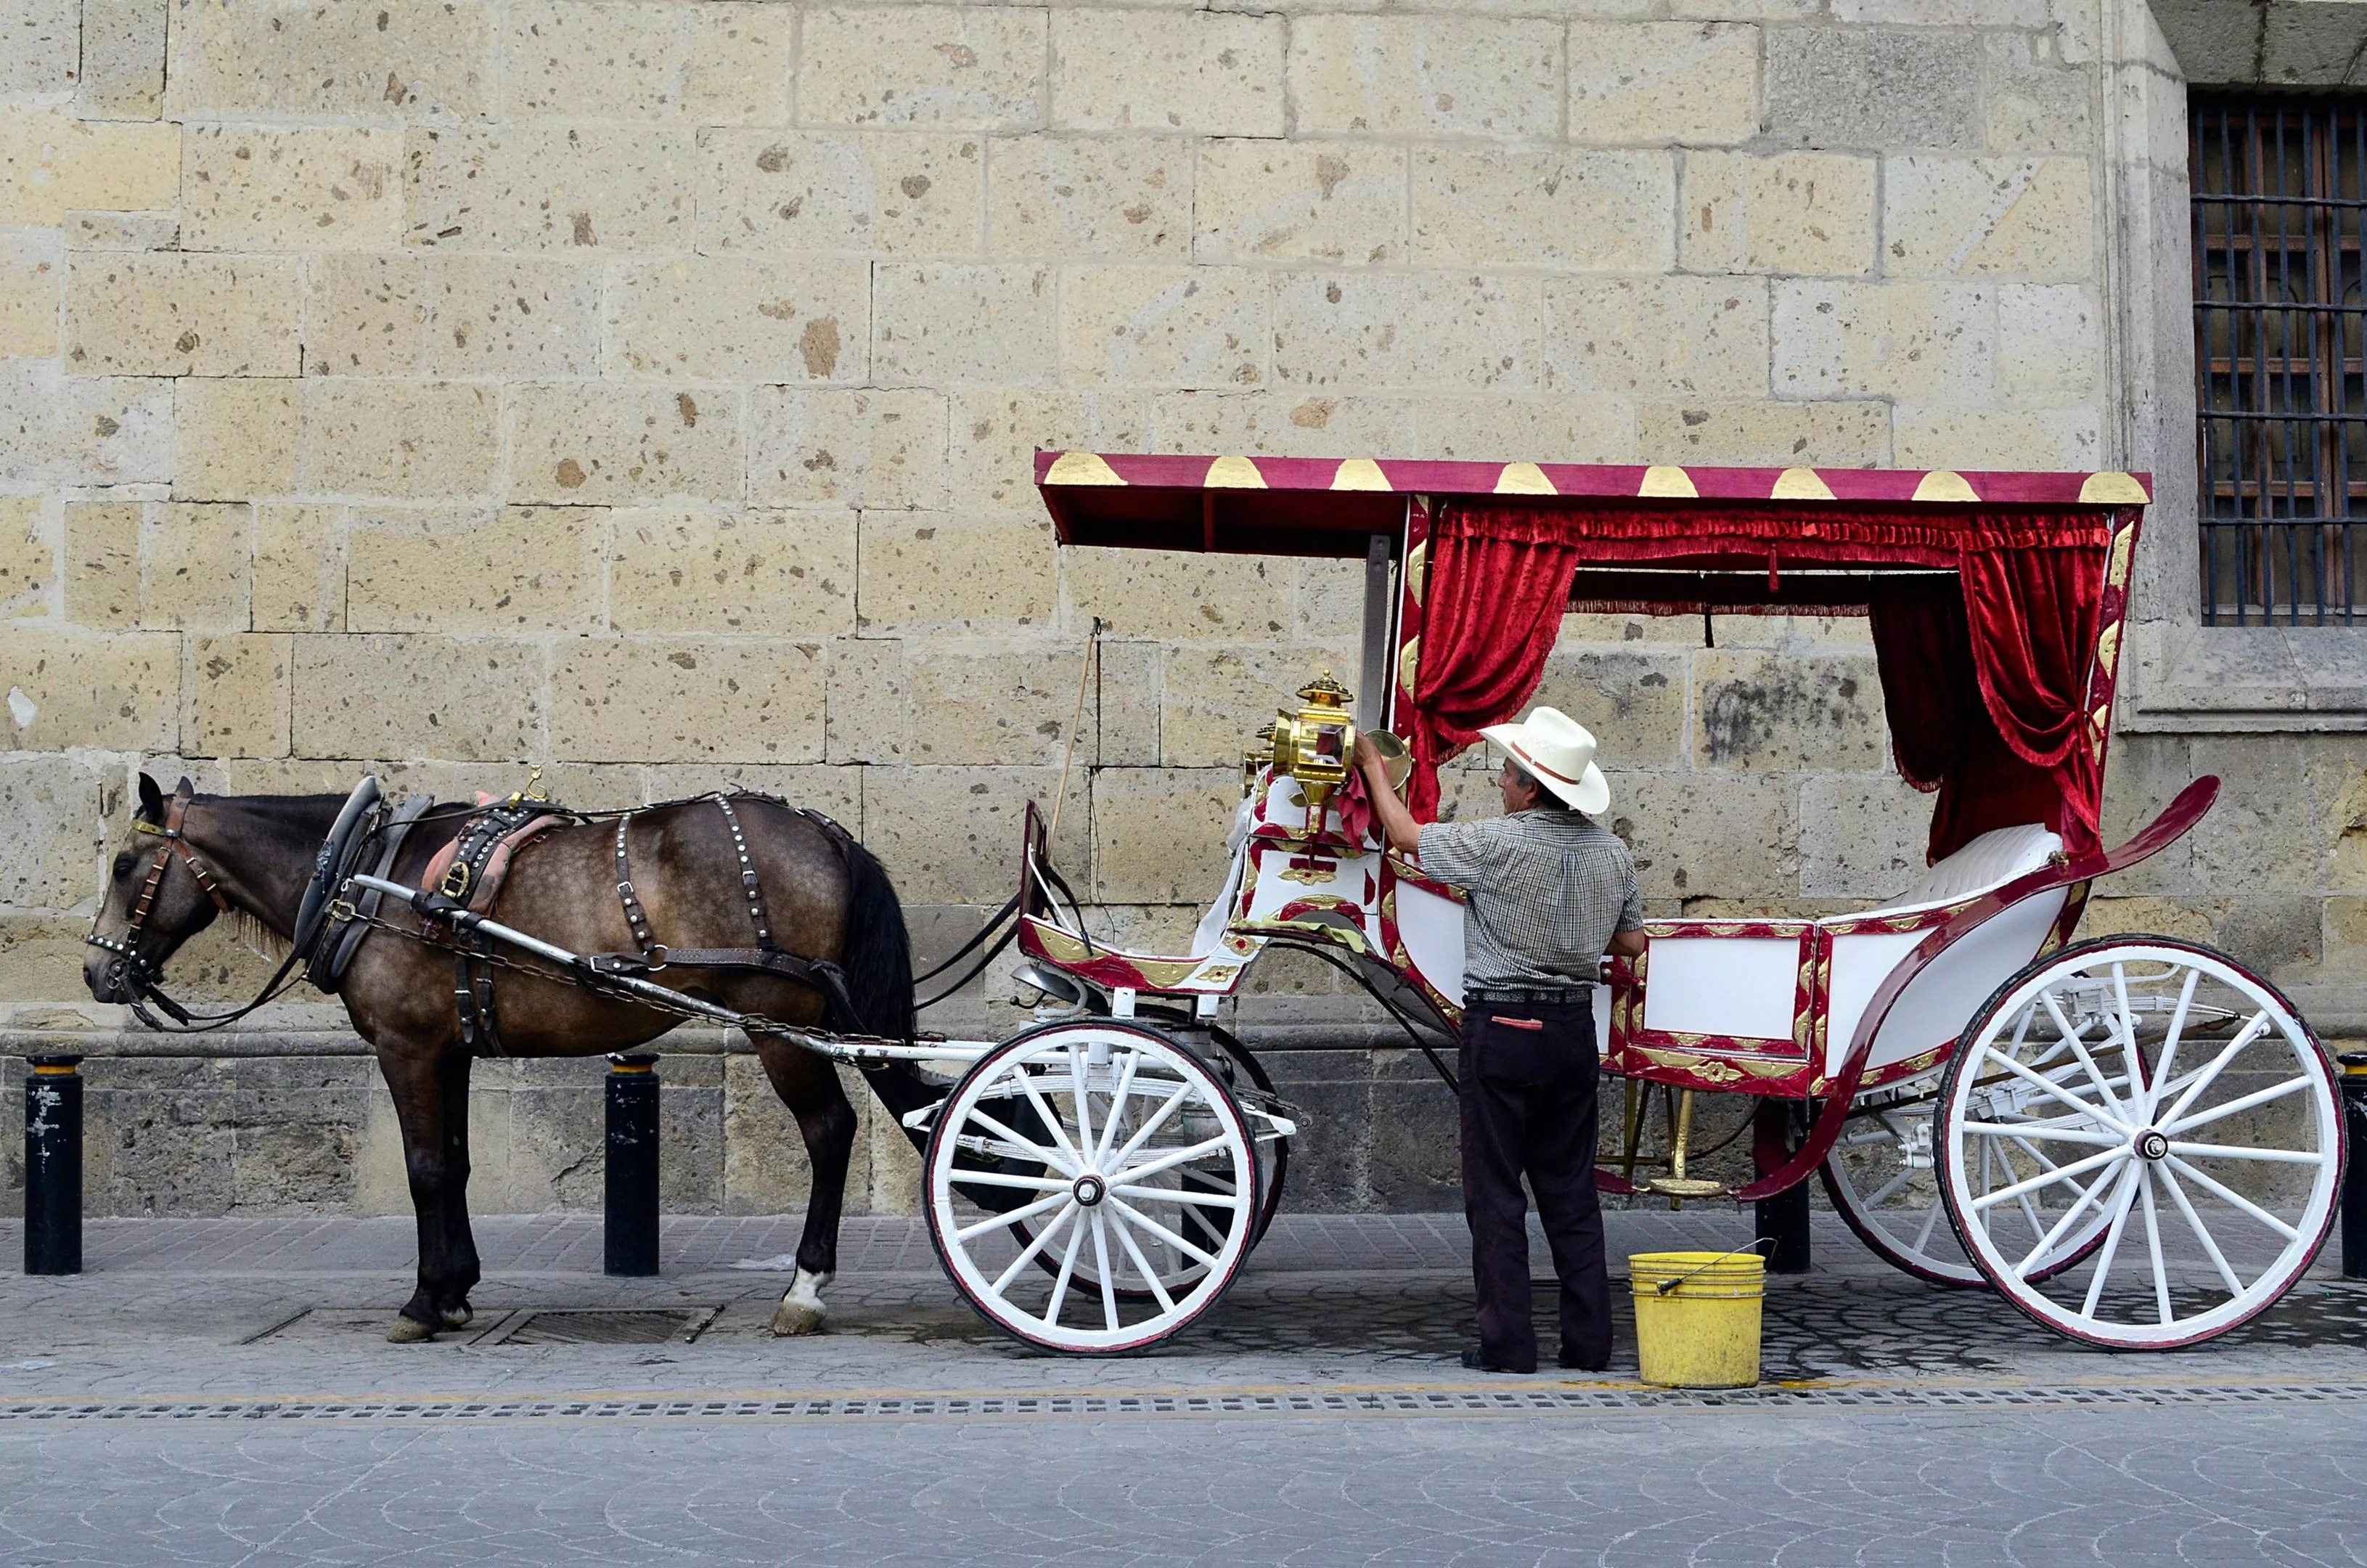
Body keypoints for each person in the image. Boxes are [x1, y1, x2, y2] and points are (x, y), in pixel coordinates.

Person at [1353, 708, 1647, 1374]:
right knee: (1570, 1192)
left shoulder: (1497, 843)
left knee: (1495, 1196)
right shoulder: (1612, 853)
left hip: (1503, 1029)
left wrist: (1373, 767)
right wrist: (1570, 930)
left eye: (1507, 777)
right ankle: (1589, 1344)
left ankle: (1509, 1346)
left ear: (1531, 787)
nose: (1500, 787)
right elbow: (1632, 942)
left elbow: (1403, 837)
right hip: (1572, 1031)